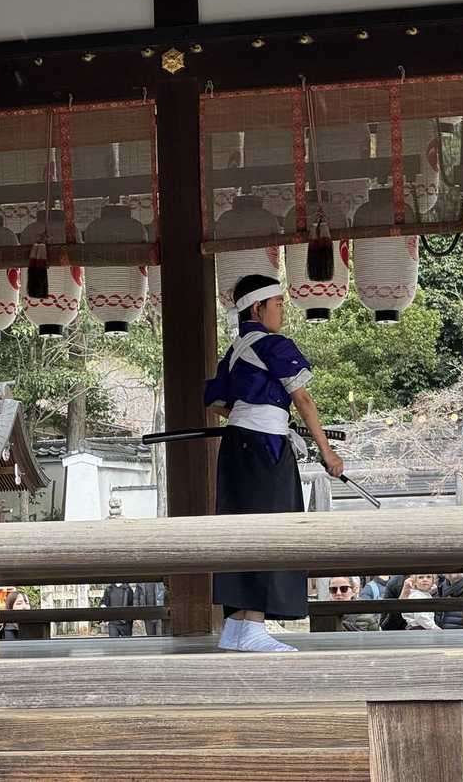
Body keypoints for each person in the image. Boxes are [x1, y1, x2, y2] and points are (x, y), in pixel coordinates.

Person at [205, 274, 344, 654]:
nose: (282, 310)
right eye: (278, 303)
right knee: (270, 529)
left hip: (236, 447)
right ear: (257, 308)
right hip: (265, 447)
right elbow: (303, 399)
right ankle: (253, 625)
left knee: (241, 528)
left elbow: (217, 405)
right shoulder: (274, 345)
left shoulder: (234, 351)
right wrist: (327, 451)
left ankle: (236, 626)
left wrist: (255, 410)